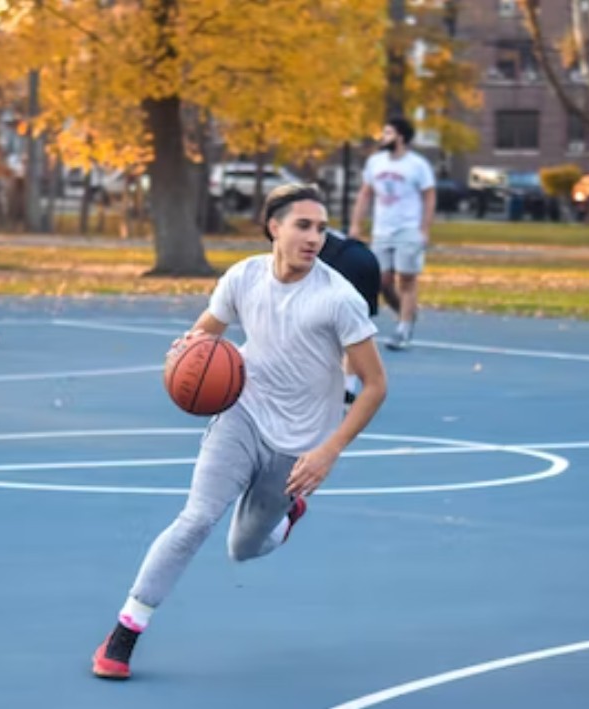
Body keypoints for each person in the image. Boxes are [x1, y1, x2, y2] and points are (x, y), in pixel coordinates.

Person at [91, 183, 388, 680]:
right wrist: (184, 355)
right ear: (274, 226)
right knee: (196, 519)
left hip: (300, 444)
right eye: (303, 225)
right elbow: (204, 332)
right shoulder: (244, 277)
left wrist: (329, 451)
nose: (314, 236)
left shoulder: (338, 299)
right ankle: (124, 634)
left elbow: (376, 385)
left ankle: (288, 513)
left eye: (320, 228)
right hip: (242, 415)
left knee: (243, 548)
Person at [349, 116, 436, 351]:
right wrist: (357, 224)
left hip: (408, 229)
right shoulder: (375, 162)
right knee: (382, 281)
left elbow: (429, 196)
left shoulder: (417, 165)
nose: (383, 137)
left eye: (387, 133)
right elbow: (365, 193)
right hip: (382, 230)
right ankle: (406, 314)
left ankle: (404, 329)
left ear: (400, 137)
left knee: (407, 280)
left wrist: (424, 229)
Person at [317, 226, 381, 404]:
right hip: (367, 258)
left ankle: (338, 388)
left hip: (347, 264)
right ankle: (347, 387)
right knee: (355, 329)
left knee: (326, 328)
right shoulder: (322, 230)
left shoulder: (298, 241)